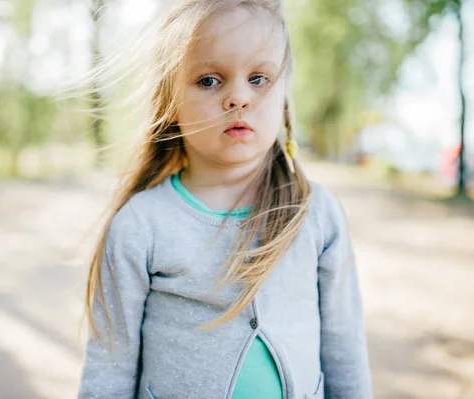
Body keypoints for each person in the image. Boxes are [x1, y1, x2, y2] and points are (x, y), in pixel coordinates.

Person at [76, 1, 372, 398]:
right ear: (170, 101)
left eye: (259, 78)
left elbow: (345, 351)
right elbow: (109, 366)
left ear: (284, 93)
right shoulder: (141, 225)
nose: (238, 97)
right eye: (210, 80)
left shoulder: (316, 214)